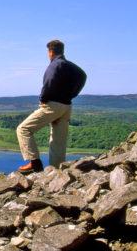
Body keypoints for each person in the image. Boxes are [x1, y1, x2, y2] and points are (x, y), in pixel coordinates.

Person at [16, 39, 87, 174]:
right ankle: (56, 172)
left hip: (53, 105)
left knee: (23, 129)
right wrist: (73, 94)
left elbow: (48, 83)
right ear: (62, 50)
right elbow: (83, 76)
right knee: (58, 140)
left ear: (50, 52)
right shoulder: (71, 66)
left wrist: (43, 99)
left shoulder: (55, 65)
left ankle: (34, 163)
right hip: (67, 106)